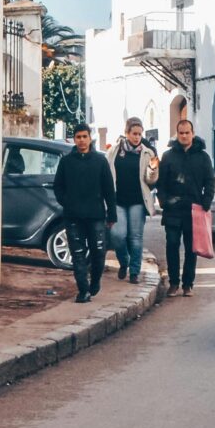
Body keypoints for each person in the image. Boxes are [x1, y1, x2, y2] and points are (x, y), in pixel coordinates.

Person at [52, 127, 116, 303]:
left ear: (90, 138)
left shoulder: (100, 161)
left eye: (84, 137)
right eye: (78, 137)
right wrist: (66, 201)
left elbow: (109, 189)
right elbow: (58, 186)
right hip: (73, 215)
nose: (81, 140)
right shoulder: (66, 162)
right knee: (78, 253)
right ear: (74, 139)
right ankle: (83, 289)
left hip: (95, 215)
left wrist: (112, 215)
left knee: (98, 252)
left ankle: (95, 282)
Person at [153, 117, 215, 296]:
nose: (184, 136)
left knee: (191, 248)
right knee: (172, 245)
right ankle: (174, 283)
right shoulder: (168, 156)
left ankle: (188, 284)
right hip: (173, 209)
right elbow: (161, 182)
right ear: (177, 134)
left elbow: (210, 181)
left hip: (194, 209)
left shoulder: (203, 157)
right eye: (181, 133)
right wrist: (163, 200)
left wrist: (206, 201)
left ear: (192, 133)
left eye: (187, 132)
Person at [111, 118, 156, 284]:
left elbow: (151, 181)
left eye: (139, 134)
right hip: (118, 201)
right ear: (126, 133)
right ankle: (124, 262)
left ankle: (135, 272)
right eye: (134, 134)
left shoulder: (147, 153)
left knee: (135, 238)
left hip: (137, 200)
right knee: (117, 235)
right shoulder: (114, 151)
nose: (137, 137)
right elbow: (108, 175)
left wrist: (153, 170)